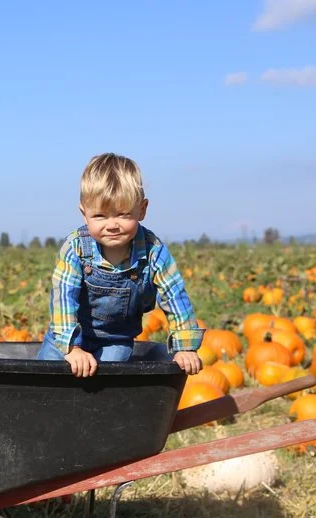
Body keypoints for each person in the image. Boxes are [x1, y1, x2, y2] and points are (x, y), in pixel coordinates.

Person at [37, 153, 205, 377]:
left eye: (123, 214)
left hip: (116, 342)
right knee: (45, 382)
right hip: (66, 337)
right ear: (84, 214)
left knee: (105, 386)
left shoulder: (154, 250)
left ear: (142, 210)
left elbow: (174, 296)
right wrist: (72, 348)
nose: (112, 225)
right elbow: (63, 297)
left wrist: (185, 348)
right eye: (100, 216)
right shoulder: (75, 248)